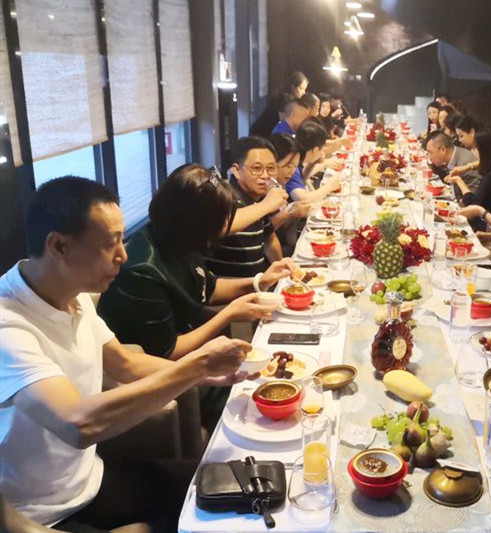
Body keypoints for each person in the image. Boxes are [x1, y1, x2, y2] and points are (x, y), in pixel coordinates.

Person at [0, 177, 252, 532]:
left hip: (93, 479)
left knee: (236, 489)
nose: (123, 255)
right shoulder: (8, 325)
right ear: (59, 246)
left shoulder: (72, 295)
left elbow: (126, 363)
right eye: (111, 243)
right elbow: (78, 423)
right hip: (43, 515)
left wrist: (207, 375)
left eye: (122, 239)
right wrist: (194, 368)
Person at [98, 165, 294, 361]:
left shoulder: (175, 239)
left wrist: (260, 281)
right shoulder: (142, 271)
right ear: (194, 222)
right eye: (219, 221)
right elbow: (168, 351)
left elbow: (209, 289)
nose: (223, 228)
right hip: (162, 365)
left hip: (189, 334)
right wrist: (229, 314)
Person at [205, 137, 289, 278]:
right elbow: (221, 225)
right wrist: (266, 205)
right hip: (226, 289)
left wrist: (285, 275)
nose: (265, 175)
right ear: (237, 171)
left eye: (271, 168)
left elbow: (269, 239)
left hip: (257, 284)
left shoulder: (257, 199)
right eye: (257, 168)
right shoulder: (224, 196)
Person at [445, 128, 491, 231]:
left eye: (476, 148)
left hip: (489, 226)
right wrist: (467, 167)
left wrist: (458, 180)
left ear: (486, 151)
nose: (474, 152)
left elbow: (472, 204)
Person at [284, 120, 342, 204]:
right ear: (315, 150)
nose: (322, 152)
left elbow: (302, 177)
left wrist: (314, 163)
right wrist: (329, 186)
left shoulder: (297, 156)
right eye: (321, 149)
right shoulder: (292, 163)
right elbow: (303, 199)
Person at [250, 71, 309, 137]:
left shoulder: (291, 101)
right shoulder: (283, 100)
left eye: (305, 89)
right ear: (293, 87)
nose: (304, 92)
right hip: (262, 133)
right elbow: (284, 123)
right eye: (301, 88)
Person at [424, 130, 481, 199]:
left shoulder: (465, 164)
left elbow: (472, 200)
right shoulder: (453, 155)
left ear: (443, 150)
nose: (429, 157)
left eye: (430, 153)